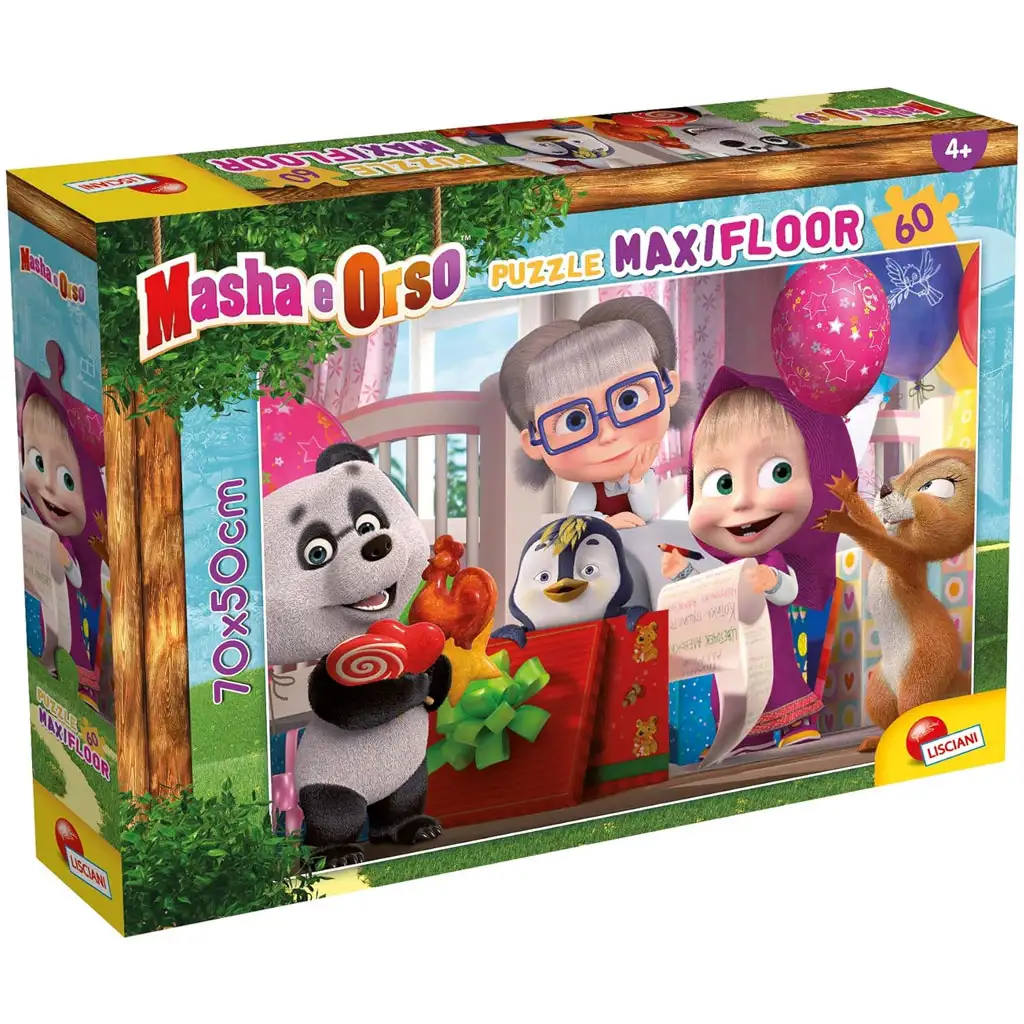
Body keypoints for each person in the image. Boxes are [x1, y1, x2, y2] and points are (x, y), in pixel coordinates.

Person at [687, 367, 856, 750]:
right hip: (732, 652)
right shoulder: (730, 568)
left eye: (777, 473)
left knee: (778, 678)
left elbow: (788, 590)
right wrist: (681, 571)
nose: (742, 501)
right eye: (722, 483)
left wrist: (773, 581)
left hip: (768, 645)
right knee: (730, 691)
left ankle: (796, 722)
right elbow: (699, 596)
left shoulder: (770, 561)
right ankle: (744, 734)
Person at [499, 296, 693, 529]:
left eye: (629, 399)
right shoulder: (590, 490)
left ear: (669, 387)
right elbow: (578, 519)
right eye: (574, 421)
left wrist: (636, 481)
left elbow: (647, 513)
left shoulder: (644, 476)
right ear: (534, 442)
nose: (607, 434)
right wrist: (607, 523)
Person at [19, 341, 105, 701]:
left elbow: (80, 577)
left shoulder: (83, 545)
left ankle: (81, 685)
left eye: (68, 480)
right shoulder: (32, 515)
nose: (50, 488)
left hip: (78, 615)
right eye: (37, 462)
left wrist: (64, 560)